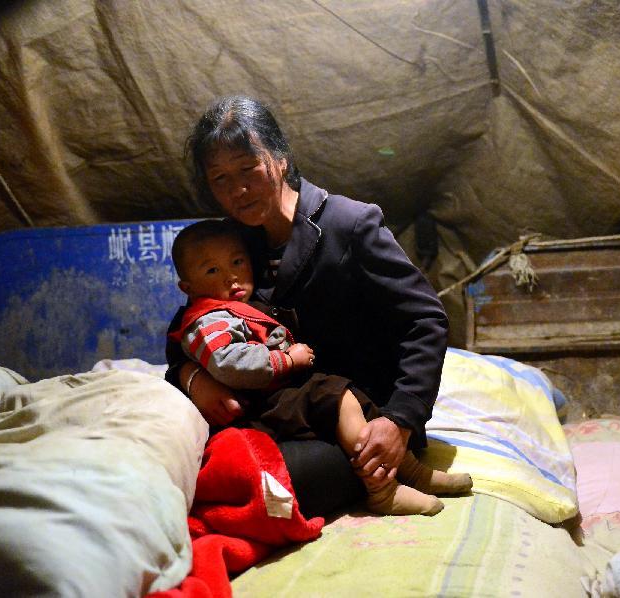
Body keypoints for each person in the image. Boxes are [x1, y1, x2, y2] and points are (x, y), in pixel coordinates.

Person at [166, 95, 451, 517]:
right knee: (195, 468)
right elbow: (189, 329)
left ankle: (392, 471)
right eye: (220, 178)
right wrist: (191, 378)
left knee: (280, 483)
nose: (238, 190)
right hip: (277, 414)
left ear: (280, 158)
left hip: (361, 417)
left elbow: (426, 320)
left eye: (248, 168)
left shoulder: (349, 224)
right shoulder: (229, 245)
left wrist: (401, 420)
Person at [168, 219, 471, 515]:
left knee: (358, 403)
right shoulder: (210, 318)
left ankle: (412, 472)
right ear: (187, 286)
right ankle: (382, 490)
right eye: (212, 270)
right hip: (260, 402)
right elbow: (229, 362)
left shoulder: (347, 224)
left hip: (291, 389)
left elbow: (426, 321)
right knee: (334, 397)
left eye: (237, 262)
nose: (231, 278)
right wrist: (285, 359)